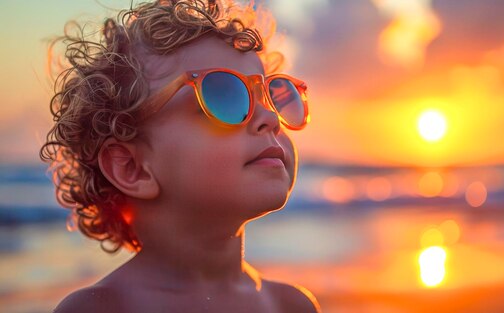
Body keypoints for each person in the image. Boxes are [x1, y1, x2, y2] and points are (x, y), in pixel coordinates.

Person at [40, 0, 319, 312]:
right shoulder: (98, 309)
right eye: (224, 95)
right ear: (132, 168)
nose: (269, 116)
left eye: (271, 94)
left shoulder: (292, 305)